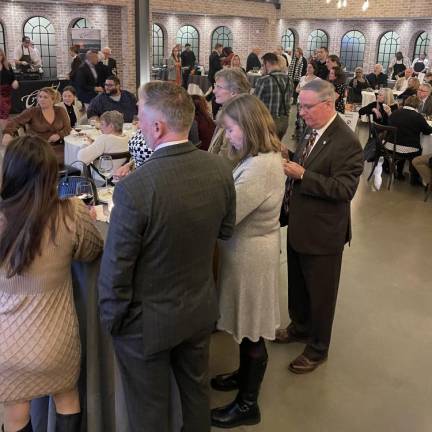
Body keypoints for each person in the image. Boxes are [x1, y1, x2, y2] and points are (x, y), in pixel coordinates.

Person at [98, 81, 236, 432]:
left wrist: (113, 324)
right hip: (198, 309)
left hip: (147, 324)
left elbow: (116, 272)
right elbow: (225, 231)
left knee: (150, 411)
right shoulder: (219, 170)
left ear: (156, 127)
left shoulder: (135, 189)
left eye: (140, 116)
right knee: (195, 395)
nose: (137, 122)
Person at [0, 135, 103, 432]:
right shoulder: (69, 211)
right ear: (50, 172)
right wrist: (89, 218)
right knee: (67, 398)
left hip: (8, 343)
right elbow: (92, 250)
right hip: (55, 338)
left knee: (16, 414)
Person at [275, 79, 363, 374]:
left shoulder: (347, 141)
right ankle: (299, 327)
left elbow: (344, 189)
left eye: (306, 106)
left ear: (327, 105)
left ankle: (317, 349)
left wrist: (302, 175)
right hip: (301, 224)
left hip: (324, 233)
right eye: (300, 105)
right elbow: (306, 162)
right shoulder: (313, 130)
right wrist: (290, 159)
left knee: (322, 294)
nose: (301, 112)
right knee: (298, 285)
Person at [209, 94, 284, 428]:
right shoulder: (255, 157)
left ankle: (247, 406)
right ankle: (243, 376)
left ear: (248, 126)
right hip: (246, 251)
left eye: (231, 128)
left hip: (252, 257)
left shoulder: (260, 166)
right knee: (247, 326)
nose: (228, 136)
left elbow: (228, 215)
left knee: (253, 330)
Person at [2, 87, 71, 164]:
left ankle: (65, 174)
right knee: (48, 160)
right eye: (40, 97)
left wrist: (59, 135)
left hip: (58, 145)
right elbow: (15, 121)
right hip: (37, 147)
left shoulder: (60, 110)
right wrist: (7, 133)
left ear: (53, 100)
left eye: (45, 97)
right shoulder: (32, 111)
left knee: (72, 155)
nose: (41, 99)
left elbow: (68, 128)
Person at [208, 68, 251, 164]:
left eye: (219, 87)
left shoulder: (236, 120)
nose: (214, 91)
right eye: (215, 86)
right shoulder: (226, 113)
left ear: (233, 92)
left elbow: (226, 161)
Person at [388, 95, 432, 181]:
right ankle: (414, 178)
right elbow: (427, 131)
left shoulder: (395, 112)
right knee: (418, 150)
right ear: (418, 105)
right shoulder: (417, 116)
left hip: (389, 146)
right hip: (405, 148)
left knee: (402, 141)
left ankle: (399, 172)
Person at [255, 52, 292, 139]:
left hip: (269, 122)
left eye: (263, 65)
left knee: (266, 149)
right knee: (277, 147)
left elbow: (255, 104)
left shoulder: (264, 80)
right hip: (285, 121)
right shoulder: (289, 79)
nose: (262, 68)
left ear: (267, 63)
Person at [0, 48, 19, 129]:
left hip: (7, 92)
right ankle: (6, 133)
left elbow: (13, 77)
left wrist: (15, 81)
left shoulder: (7, 65)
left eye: (0, 55)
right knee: (3, 112)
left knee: (5, 112)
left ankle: (6, 132)